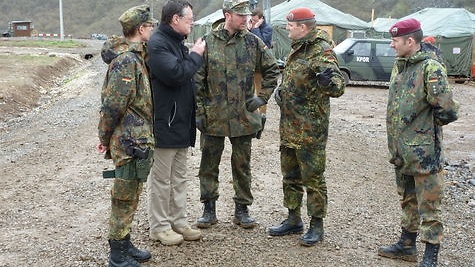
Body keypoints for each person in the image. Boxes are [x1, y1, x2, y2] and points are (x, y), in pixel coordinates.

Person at [378, 18, 459, 267]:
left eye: (395, 41)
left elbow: (447, 111)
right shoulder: (400, 65)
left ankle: (430, 254)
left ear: (410, 41)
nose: (391, 45)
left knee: (429, 204)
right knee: (408, 198)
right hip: (401, 150)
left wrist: (423, 131)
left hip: (424, 152)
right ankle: (406, 244)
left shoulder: (430, 68)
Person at [194, 0, 280, 229]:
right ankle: (208, 208)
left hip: (243, 116)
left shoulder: (254, 42)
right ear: (227, 15)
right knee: (208, 164)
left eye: (248, 15)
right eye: (240, 15)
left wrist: (262, 97)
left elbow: (272, 70)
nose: (246, 19)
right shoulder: (208, 42)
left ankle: (242, 209)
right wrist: (200, 111)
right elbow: (196, 80)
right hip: (215, 116)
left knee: (242, 164)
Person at [267, 7, 345, 247]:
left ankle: (316, 225)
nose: (288, 28)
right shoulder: (297, 49)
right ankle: (293, 218)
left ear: (303, 27)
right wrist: (283, 91)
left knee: (313, 178)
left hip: (310, 130)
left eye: (291, 25)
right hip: (290, 126)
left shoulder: (321, 51)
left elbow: (338, 87)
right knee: (290, 175)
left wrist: (327, 81)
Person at [97, 5, 156, 267]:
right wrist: (104, 136)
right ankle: (117, 253)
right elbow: (113, 106)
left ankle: (125, 242)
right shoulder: (126, 61)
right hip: (129, 141)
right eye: (151, 26)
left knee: (132, 193)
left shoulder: (137, 57)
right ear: (141, 29)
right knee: (123, 195)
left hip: (138, 140)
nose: (153, 30)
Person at [146, 0, 206, 246]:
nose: (192, 23)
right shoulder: (158, 43)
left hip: (181, 123)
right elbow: (176, 74)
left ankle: (178, 220)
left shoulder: (177, 43)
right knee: (162, 180)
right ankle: (159, 227)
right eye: (189, 19)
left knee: (179, 177)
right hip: (165, 123)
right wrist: (196, 56)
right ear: (175, 20)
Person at [248, 7, 273, 123]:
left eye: (255, 20)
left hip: (260, 67)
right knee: (248, 91)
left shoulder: (267, 29)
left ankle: (262, 116)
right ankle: (252, 114)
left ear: (261, 19)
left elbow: (260, 41)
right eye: (251, 20)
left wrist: (256, 28)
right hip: (250, 65)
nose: (252, 22)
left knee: (260, 92)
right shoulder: (250, 27)